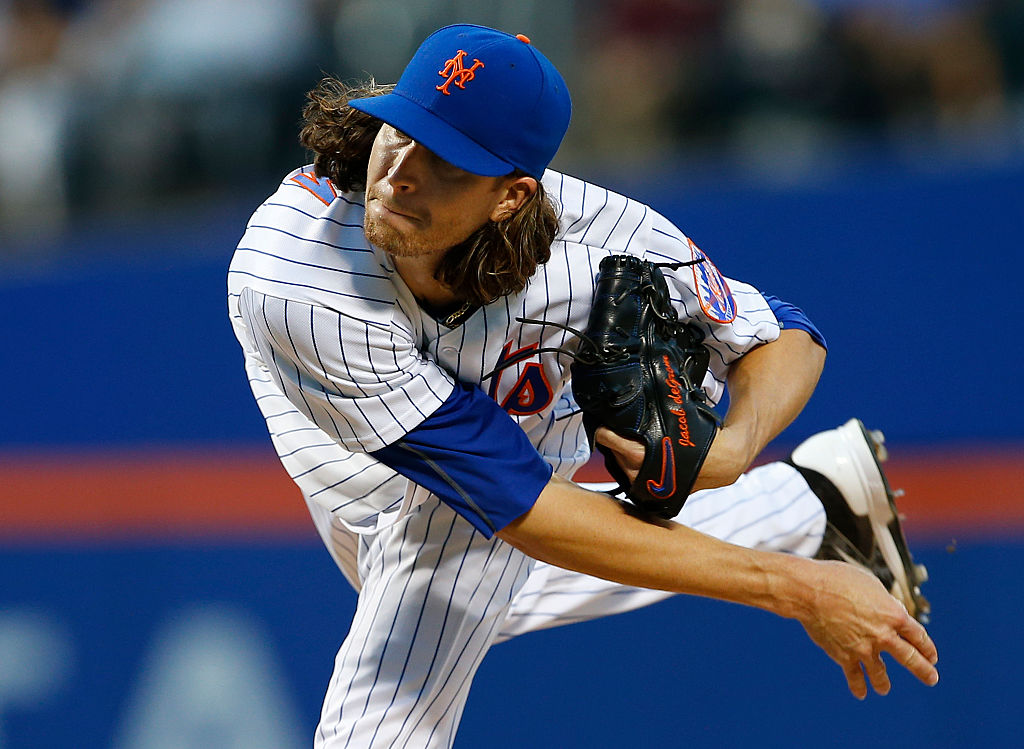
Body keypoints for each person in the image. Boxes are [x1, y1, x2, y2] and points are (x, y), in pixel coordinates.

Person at [227, 24, 937, 748]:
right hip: (337, 442)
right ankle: (805, 500)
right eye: (401, 130)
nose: (403, 169)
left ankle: (800, 503)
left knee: (397, 684)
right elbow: (522, 512)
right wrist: (796, 585)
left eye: (448, 161)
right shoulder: (298, 279)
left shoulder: (595, 241)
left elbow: (780, 331)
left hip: (508, 430)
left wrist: (734, 445)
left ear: (512, 196)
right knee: (481, 594)